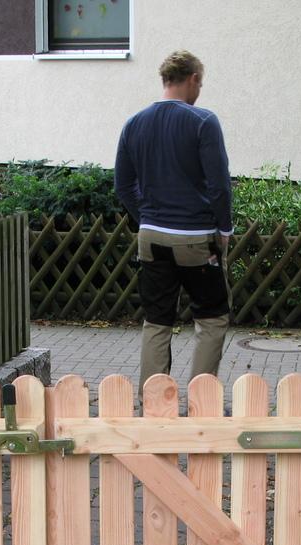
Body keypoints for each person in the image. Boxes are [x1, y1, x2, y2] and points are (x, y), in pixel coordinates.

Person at [114, 49, 233, 396]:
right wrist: (223, 229)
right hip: (196, 239)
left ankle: (153, 404)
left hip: (151, 238)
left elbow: (123, 185)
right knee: (211, 319)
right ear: (193, 79)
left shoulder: (134, 123)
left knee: (157, 320)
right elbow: (219, 184)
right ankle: (201, 400)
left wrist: (147, 217)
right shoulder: (203, 122)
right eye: (201, 82)